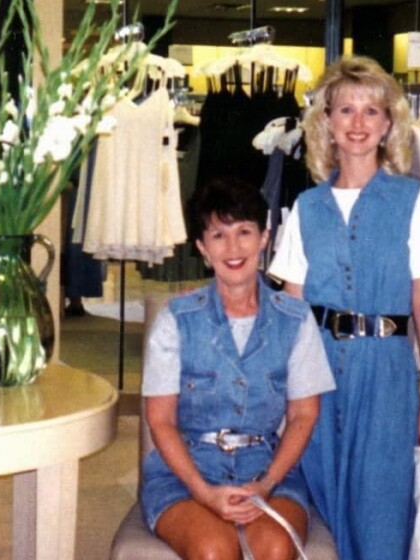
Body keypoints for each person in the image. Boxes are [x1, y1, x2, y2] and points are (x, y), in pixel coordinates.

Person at [268, 56, 420, 560]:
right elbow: (291, 308)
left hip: (386, 371)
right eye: (346, 110)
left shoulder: (414, 201)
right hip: (318, 372)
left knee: (381, 507)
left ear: (388, 124)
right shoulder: (307, 207)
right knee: (319, 500)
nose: (357, 123)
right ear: (326, 122)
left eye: (371, 112)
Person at [140, 176, 336, 559]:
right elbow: (160, 420)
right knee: (214, 551)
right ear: (201, 247)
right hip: (186, 474)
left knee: (276, 549)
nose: (233, 248)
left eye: (244, 232)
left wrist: (265, 484)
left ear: (264, 239)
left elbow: (303, 415)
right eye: (218, 235)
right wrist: (204, 493)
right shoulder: (176, 319)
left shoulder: (295, 319)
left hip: (269, 471)